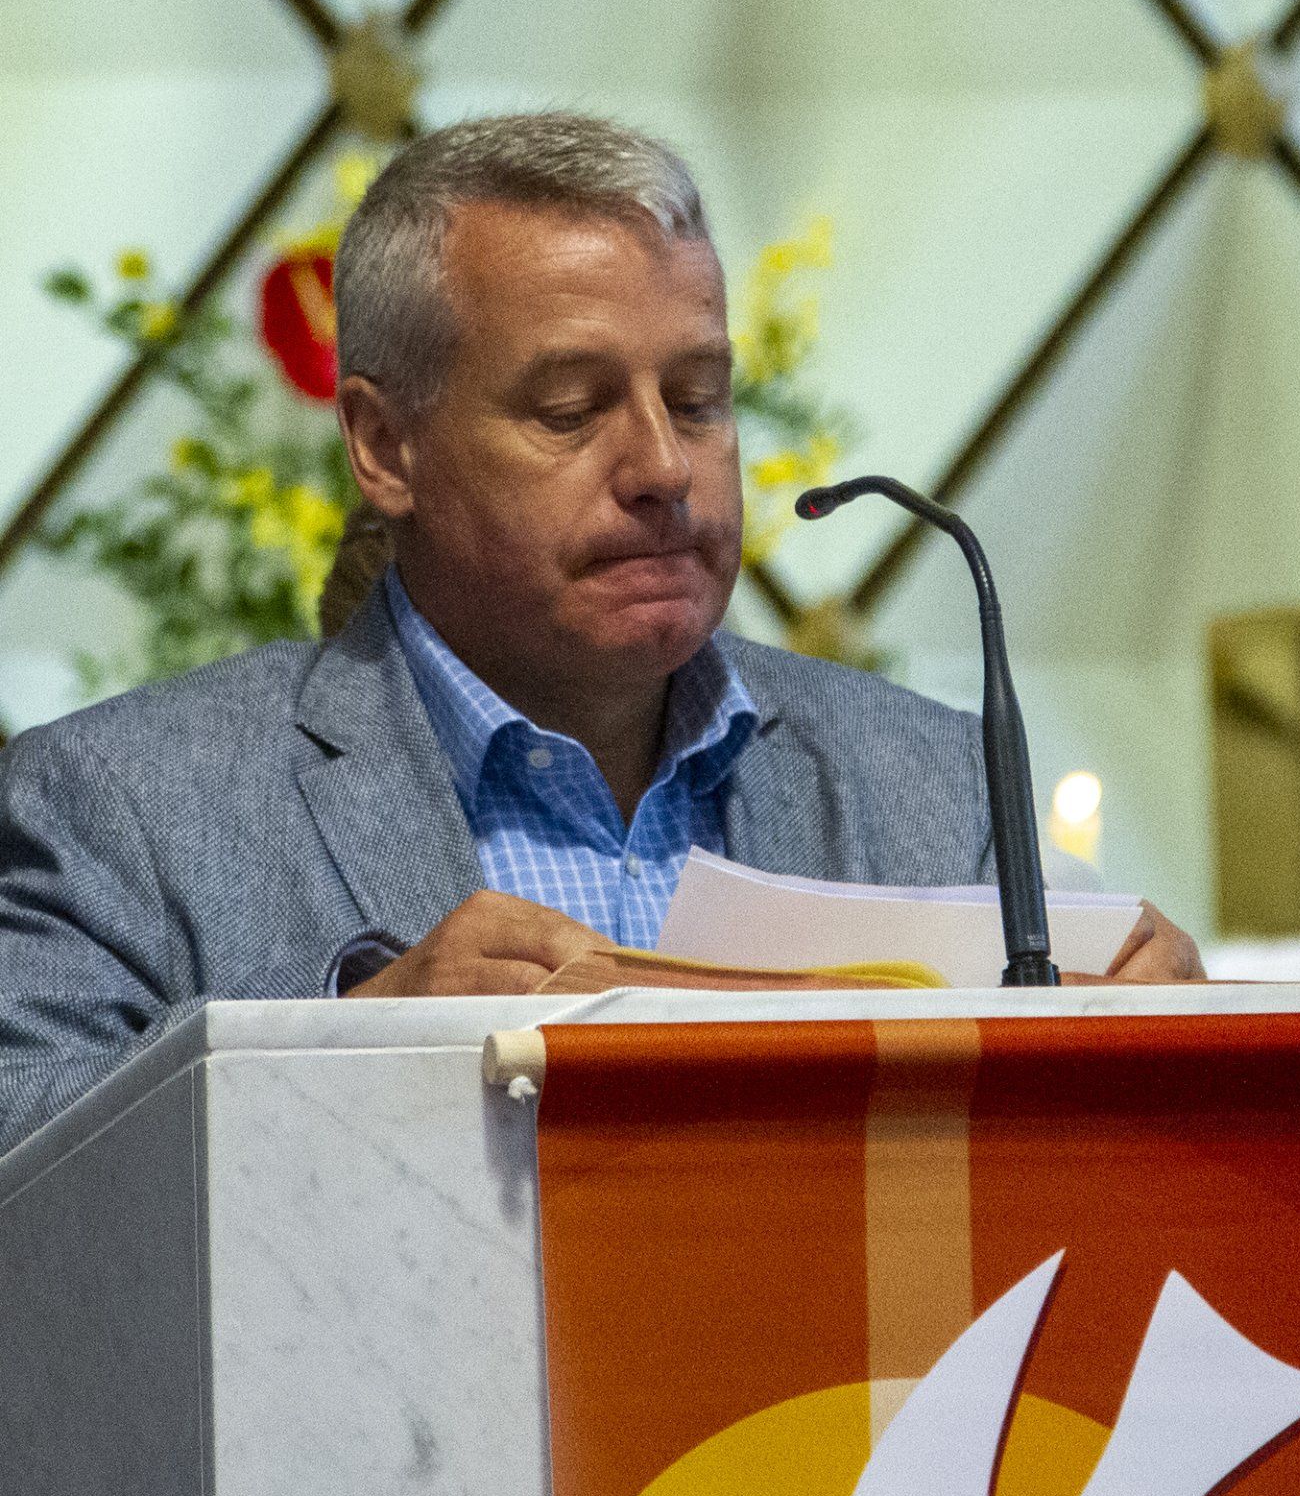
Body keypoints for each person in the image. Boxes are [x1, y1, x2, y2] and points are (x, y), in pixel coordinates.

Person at [0, 113, 1201, 1151]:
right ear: (383, 445)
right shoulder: (120, 808)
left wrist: (1185, 1062)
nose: (665, 468)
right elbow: (29, 1171)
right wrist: (335, 1056)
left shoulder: (932, 784)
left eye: (698, 399)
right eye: (571, 411)